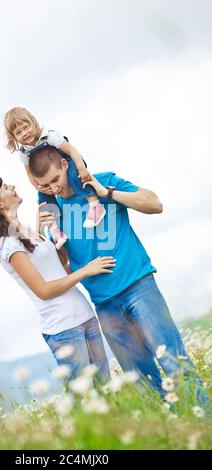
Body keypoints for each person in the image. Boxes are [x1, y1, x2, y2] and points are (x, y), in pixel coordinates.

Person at [28, 145, 210, 407]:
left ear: (65, 165)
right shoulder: (53, 211)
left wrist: (107, 193)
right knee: (142, 383)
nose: (53, 188)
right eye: (45, 185)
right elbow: (63, 267)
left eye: (55, 179)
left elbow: (154, 204)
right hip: (104, 305)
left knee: (175, 363)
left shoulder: (101, 182)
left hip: (139, 287)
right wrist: (42, 229)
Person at [0, 176, 115, 384]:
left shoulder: (26, 230)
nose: (12, 186)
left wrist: (49, 232)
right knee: (84, 399)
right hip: (63, 328)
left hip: (84, 315)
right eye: (5, 187)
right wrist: (85, 271)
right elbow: (43, 290)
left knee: (108, 390)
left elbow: (58, 268)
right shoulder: (7, 245)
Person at [3, 107, 106, 250]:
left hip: (68, 162)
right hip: (46, 175)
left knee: (74, 178)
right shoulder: (23, 152)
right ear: (14, 138)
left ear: (34, 123)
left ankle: (95, 205)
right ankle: (55, 230)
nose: (24, 133)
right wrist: (39, 187)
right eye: (18, 133)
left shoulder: (49, 136)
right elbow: (30, 174)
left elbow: (71, 150)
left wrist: (81, 169)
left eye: (26, 127)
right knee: (43, 198)